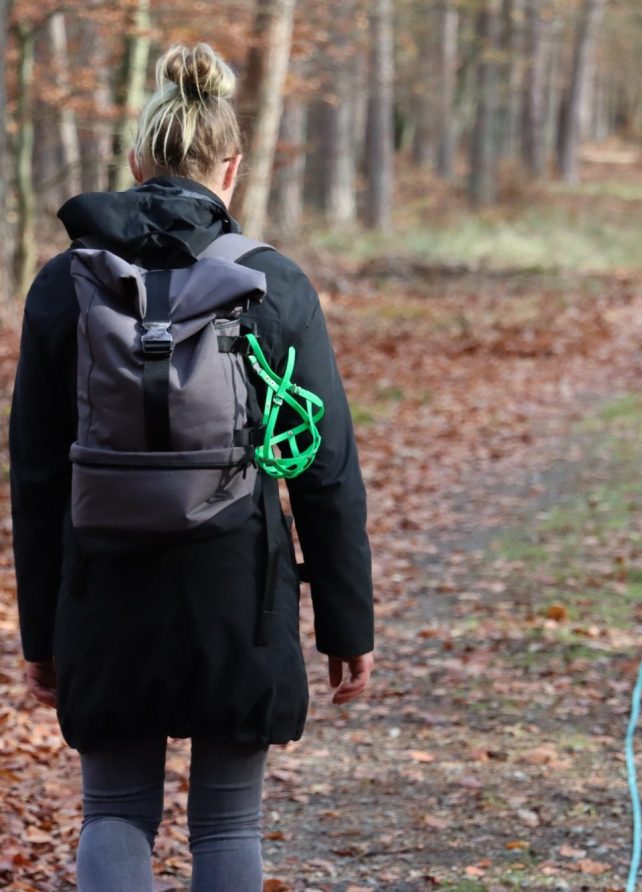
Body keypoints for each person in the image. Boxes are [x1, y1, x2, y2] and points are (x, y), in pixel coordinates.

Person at [10, 43, 374, 891]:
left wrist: (43, 631)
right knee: (227, 821)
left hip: (103, 579)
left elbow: (32, 475)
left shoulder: (66, 284)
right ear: (232, 168)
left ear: (135, 160)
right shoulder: (272, 283)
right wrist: (346, 623)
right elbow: (324, 468)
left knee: (112, 811)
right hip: (235, 578)